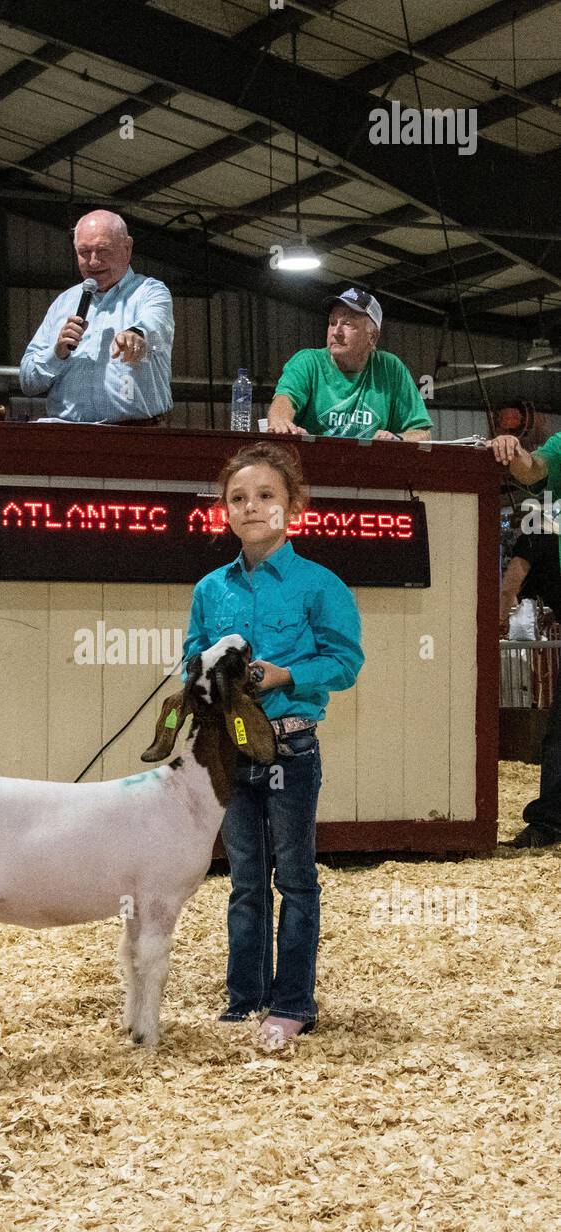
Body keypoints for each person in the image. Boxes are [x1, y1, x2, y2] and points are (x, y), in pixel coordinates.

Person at [182, 442, 364, 1049]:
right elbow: (191, 657)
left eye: (266, 497)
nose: (251, 507)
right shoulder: (211, 589)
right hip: (229, 752)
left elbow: (345, 662)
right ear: (224, 510)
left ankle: (292, 1001)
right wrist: (207, 671)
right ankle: (245, 996)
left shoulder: (320, 585)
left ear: (294, 507)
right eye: (238, 498)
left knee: (296, 877)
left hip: (291, 748)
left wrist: (286, 676)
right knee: (244, 877)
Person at [19, 210, 174, 423]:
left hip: (134, 437)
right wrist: (57, 353)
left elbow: (155, 326)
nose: (93, 262)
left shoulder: (150, 292)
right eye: (84, 252)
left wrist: (136, 334)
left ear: (127, 248)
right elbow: (28, 382)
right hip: (67, 438)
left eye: (103, 250)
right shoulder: (64, 303)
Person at [494, 426, 561, 846]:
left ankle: (549, 822)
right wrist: (510, 448)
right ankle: (550, 821)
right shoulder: (541, 526)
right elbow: (532, 468)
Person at [266, 287, 432, 441]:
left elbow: (423, 433)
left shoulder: (391, 369)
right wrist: (282, 423)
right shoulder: (307, 362)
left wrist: (398, 439)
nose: (336, 332)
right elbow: (284, 401)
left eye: (347, 324)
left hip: (369, 469)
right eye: (332, 323)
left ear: (372, 337)